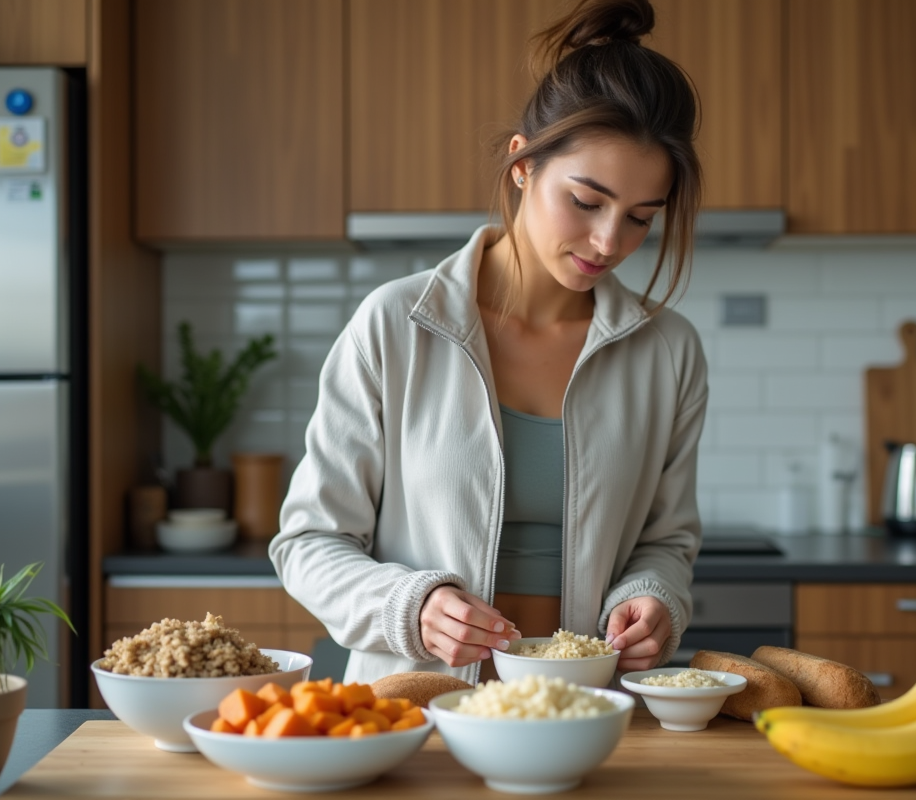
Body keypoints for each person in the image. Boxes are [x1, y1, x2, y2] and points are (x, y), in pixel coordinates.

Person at [270, 0, 707, 685]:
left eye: (640, 218)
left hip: (587, 711)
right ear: (522, 166)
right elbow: (308, 542)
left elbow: (666, 540)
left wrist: (654, 598)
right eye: (586, 201)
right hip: (415, 713)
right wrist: (410, 606)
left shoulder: (669, 351)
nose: (608, 241)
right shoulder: (395, 324)